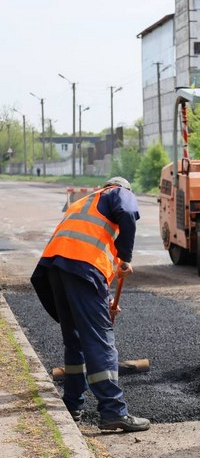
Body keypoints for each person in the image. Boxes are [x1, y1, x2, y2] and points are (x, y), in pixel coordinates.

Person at [30, 176, 150, 432]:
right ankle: (113, 411)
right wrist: (125, 258)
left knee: (75, 338)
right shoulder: (119, 192)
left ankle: (72, 404)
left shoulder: (84, 202)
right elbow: (127, 212)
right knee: (99, 338)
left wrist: (106, 300)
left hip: (55, 268)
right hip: (81, 268)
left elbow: (83, 252)